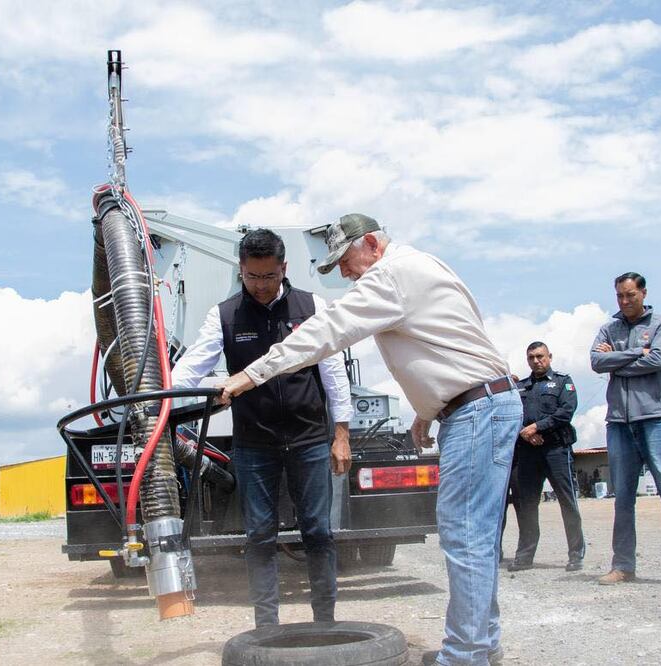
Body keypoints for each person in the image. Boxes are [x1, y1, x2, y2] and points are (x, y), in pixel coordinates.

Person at [220, 214, 516, 666]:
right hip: (481, 405)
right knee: (475, 535)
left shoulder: (389, 276)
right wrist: (430, 408)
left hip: (477, 411)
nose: (343, 272)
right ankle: (480, 644)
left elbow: (324, 332)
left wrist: (251, 374)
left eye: (345, 259)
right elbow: (453, 340)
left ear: (373, 244)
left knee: (465, 536)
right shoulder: (422, 265)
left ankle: (465, 655)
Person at [171, 228, 352, 627]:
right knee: (258, 535)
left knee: (318, 531)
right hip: (254, 444)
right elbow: (191, 368)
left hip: (309, 439)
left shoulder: (312, 307)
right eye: (252, 276)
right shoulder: (225, 315)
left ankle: (325, 622)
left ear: (283, 269)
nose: (261, 285)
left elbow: (334, 373)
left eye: (269, 276)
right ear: (241, 270)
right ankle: (266, 626)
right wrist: (170, 395)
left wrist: (341, 434)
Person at [590, 272, 661, 587]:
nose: (624, 301)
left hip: (655, 418)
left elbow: (659, 361)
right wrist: (637, 353)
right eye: (620, 296)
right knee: (623, 497)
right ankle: (623, 566)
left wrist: (616, 360)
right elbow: (596, 362)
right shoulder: (608, 328)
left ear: (643, 293)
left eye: (630, 295)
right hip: (619, 423)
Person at [509, 342, 585, 572]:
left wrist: (537, 427)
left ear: (549, 356)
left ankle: (575, 555)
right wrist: (527, 433)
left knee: (567, 502)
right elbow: (511, 414)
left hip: (556, 450)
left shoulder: (563, 382)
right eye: (531, 357)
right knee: (526, 505)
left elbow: (566, 411)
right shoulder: (520, 387)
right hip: (528, 452)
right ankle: (524, 556)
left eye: (540, 356)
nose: (536, 361)